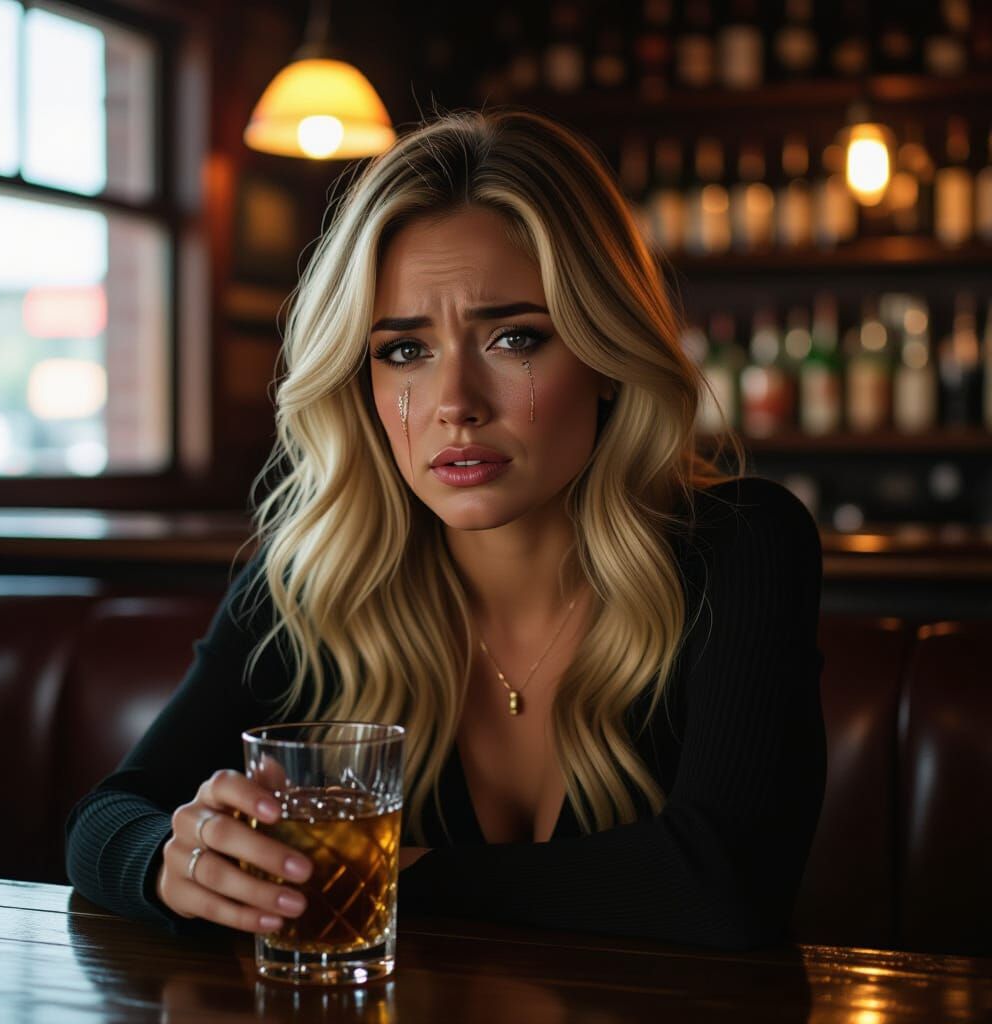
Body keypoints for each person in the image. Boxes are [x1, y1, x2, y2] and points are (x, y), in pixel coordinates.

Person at [65, 107, 826, 951]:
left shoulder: (742, 547)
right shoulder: (318, 576)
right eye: (404, 351)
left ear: (606, 355)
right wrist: (176, 861)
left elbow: (722, 886)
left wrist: (376, 871)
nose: (455, 403)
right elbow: (109, 820)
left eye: (514, 338)